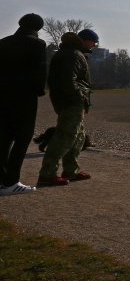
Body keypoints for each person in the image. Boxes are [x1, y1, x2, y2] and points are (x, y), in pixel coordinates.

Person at [37, 28, 99, 187]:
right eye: (94, 42)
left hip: (70, 101)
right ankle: (47, 174)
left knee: (78, 136)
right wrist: (79, 98)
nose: (95, 45)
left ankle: (71, 170)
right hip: (71, 102)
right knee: (65, 137)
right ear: (85, 40)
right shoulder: (73, 54)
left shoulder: (70, 52)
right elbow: (68, 81)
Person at [0, 14, 47, 196]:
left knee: (3, 139)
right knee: (22, 138)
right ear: (38, 28)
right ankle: (11, 181)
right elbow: (39, 70)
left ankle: (2, 179)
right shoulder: (37, 44)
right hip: (24, 97)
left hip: (2, 96)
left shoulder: (3, 42)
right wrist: (39, 90)